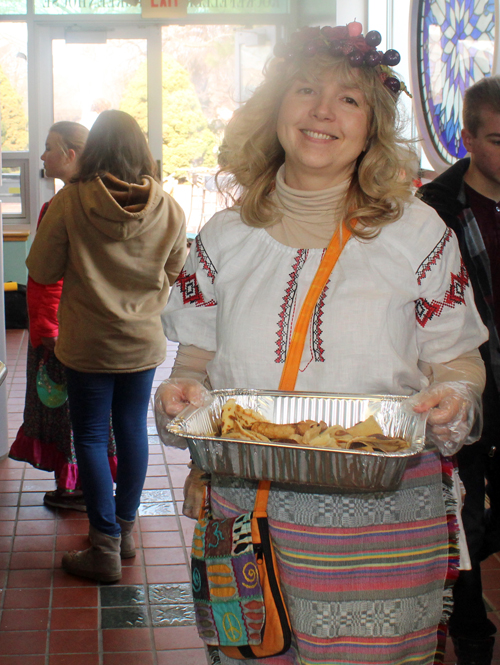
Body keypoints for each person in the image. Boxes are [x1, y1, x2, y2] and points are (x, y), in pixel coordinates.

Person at [157, 22, 490, 665]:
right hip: (245, 519)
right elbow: (195, 360)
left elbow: (458, 362)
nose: (322, 111)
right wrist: (181, 397)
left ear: (372, 125)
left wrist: (453, 398)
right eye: (305, 89)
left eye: (349, 98)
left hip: (382, 528)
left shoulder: (418, 235)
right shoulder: (222, 239)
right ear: (276, 108)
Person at [25, 109, 187, 583]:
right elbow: (176, 271)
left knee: (92, 436)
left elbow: (41, 269)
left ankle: (104, 546)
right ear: (140, 149)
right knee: (134, 431)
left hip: (87, 345)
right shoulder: (169, 207)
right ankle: (126, 531)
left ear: (94, 148)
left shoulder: (71, 203)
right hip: (141, 344)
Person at [418, 75, 500, 665]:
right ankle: (471, 634)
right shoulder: (434, 213)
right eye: (498, 138)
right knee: (464, 513)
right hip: (465, 388)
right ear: (466, 137)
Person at [8, 121, 117, 511]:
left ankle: (77, 486)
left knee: (68, 411)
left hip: (62, 328)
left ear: (71, 155)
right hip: (82, 328)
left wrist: (47, 326)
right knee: (79, 412)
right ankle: (85, 484)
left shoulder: (62, 206)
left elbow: (49, 274)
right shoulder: (104, 201)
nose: (41, 156)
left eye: (49, 148)